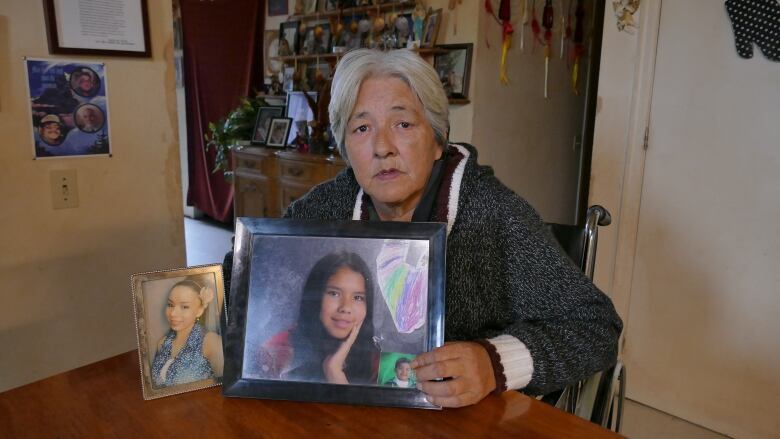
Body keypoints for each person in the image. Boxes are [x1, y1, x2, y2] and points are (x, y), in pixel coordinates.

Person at [282, 49, 623, 407]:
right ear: (345, 148)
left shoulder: (492, 213)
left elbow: (596, 325)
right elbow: (241, 280)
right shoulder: (329, 204)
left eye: (403, 124)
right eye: (362, 128)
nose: (382, 147)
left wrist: (493, 363)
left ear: (438, 140)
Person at [255, 251, 378, 384]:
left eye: (358, 297)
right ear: (316, 297)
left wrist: (334, 371)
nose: (346, 308)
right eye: (334, 294)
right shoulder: (276, 351)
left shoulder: (377, 360)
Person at [151, 279, 223, 387]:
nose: (173, 313)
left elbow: (224, 387)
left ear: (200, 310)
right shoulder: (162, 344)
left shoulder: (211, 342)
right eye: (170, 305)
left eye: (184, 307)